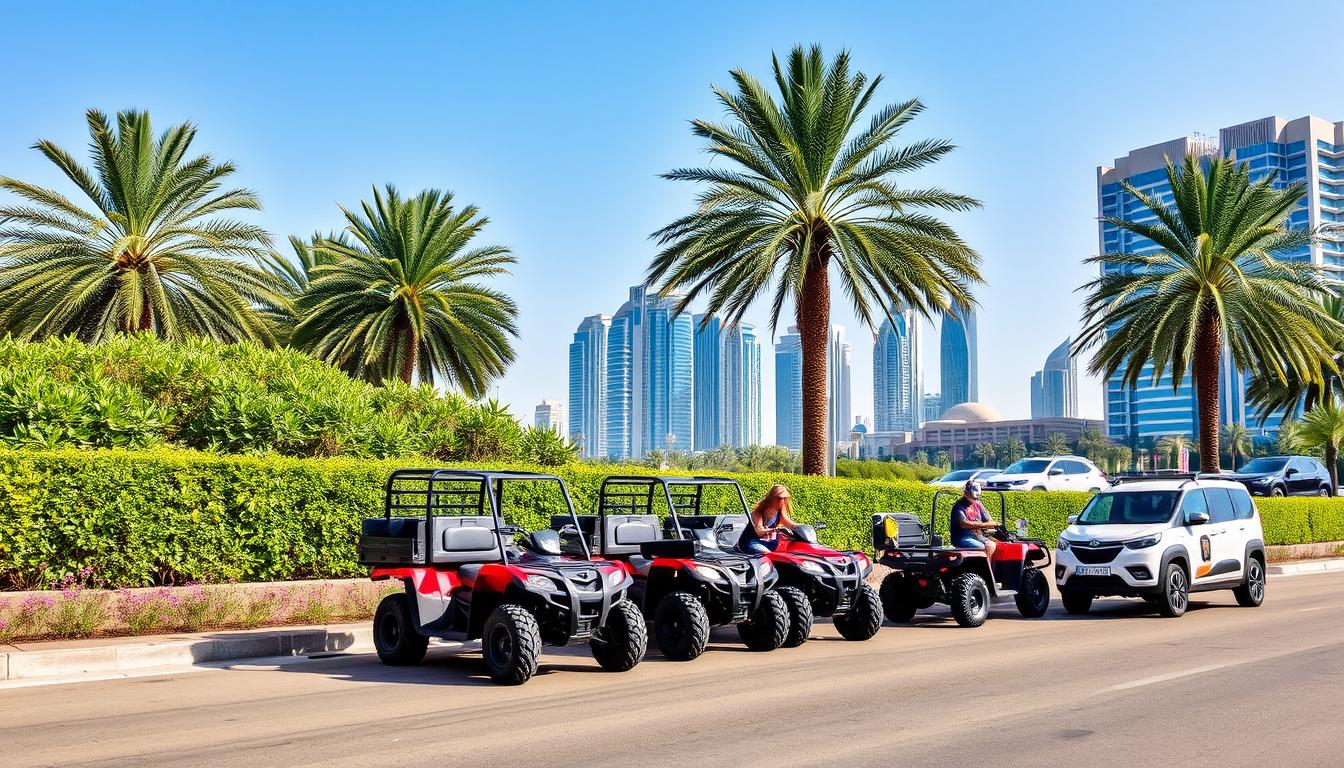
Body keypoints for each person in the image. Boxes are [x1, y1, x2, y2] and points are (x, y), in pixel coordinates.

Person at [737, 484, 798, 554]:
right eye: (779, 498)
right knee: (770, 555)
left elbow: (791, 525)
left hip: (769, 543)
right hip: (752, 542)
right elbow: (759, 531)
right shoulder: (758, 512)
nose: (782, 501)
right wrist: (773, 530)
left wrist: (802, 528)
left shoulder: (780, 512)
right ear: (772, 498)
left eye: (785, 498)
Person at [950, 479, 998, 560]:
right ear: (966, 493)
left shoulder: (978, 504)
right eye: (972, 496)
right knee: (981, 548)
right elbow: (964, 524)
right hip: (962, 538)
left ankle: (992, 569)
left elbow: (989, 520)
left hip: (977, 536)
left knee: (993, 545)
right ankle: (985, 569)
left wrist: (993, 524)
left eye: (976, 497)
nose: (975, 499)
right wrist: (984, 525)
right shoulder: (958, 507)